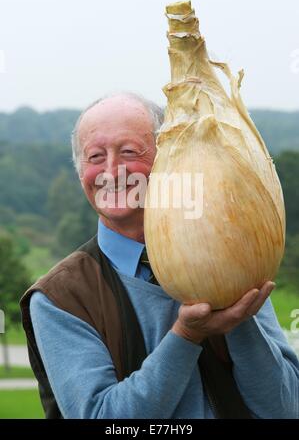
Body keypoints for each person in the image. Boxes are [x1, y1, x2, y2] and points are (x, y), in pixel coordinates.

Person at [20, 93, 299, 419]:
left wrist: (239, 321)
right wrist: (186, 335)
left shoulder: (231, 253)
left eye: (129, 152)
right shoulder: (59, 298)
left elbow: (286, 409)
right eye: (95, 156)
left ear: (169, 158)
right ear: (80, 172)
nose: (112, 171)